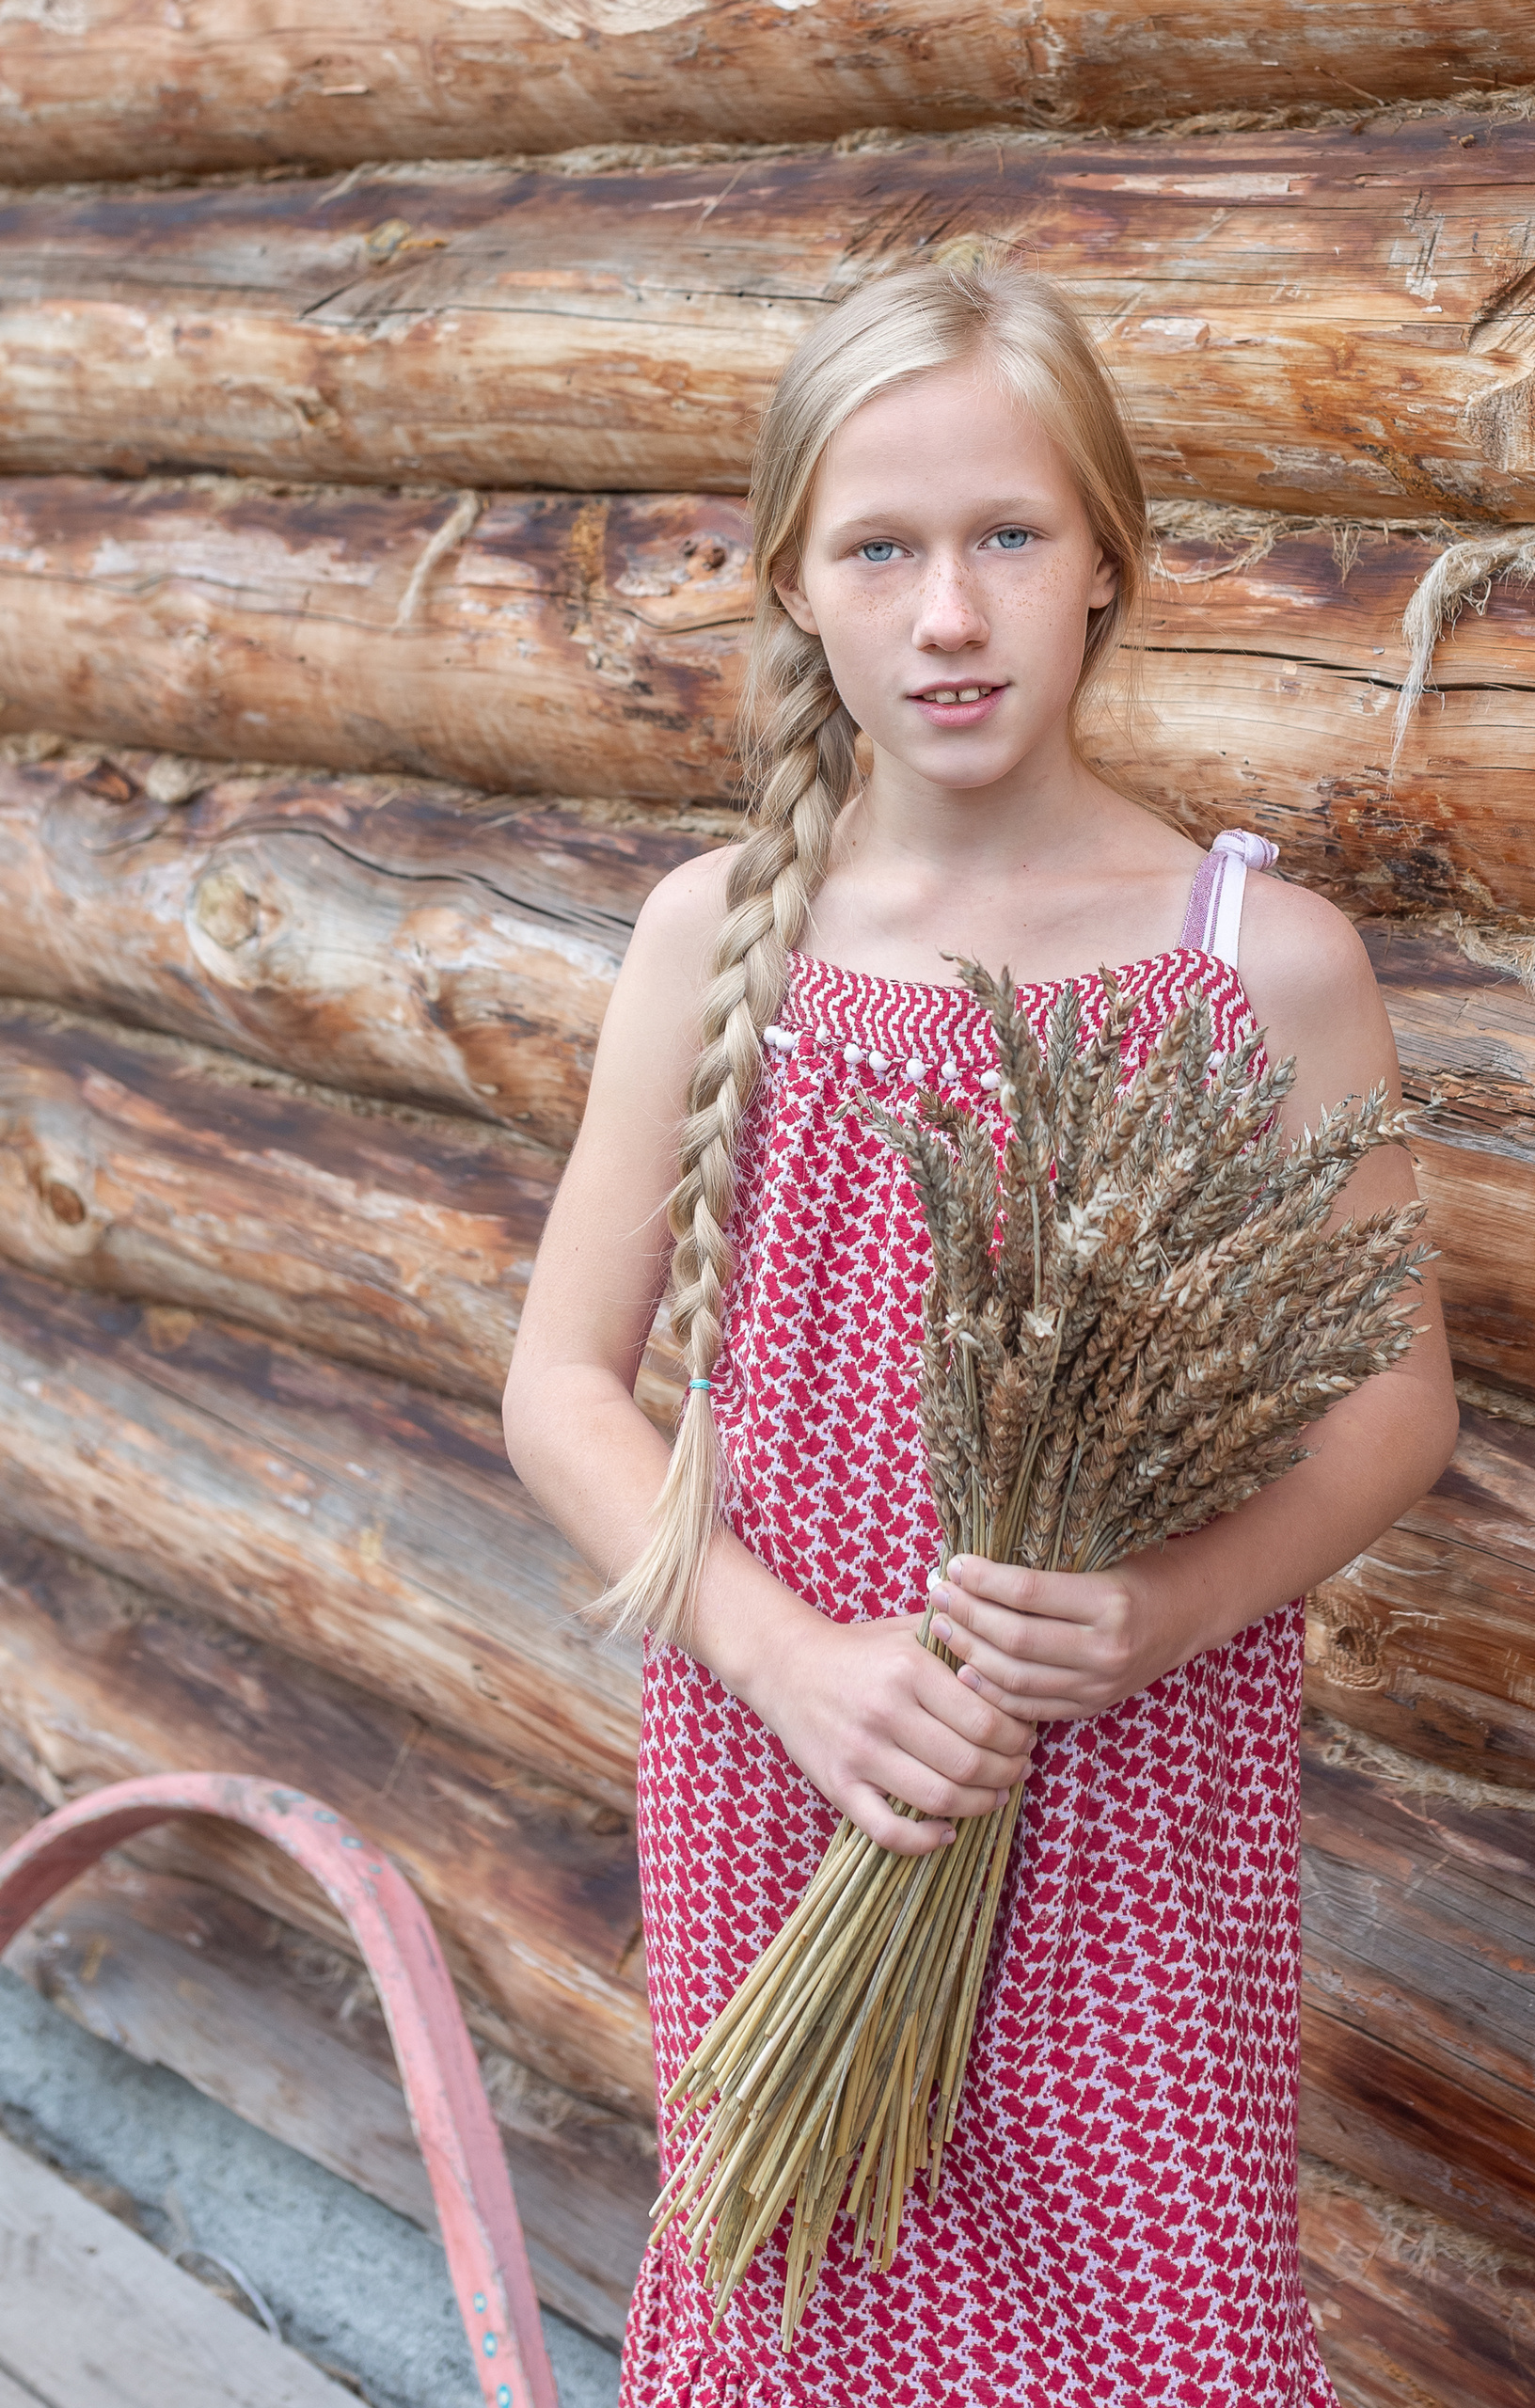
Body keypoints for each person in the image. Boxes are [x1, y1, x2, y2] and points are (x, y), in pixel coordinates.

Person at [502, 254, 1459, 2408]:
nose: (951, 614)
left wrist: (1149, 1611)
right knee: (801, 2297)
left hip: (1126, 1777)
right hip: (789, 1754)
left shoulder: (1257, 961)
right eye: (884, 549)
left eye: (1008, 538)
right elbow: (561, 1385)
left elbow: (1396, 1417)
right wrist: (793, 1661)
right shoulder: (709, 937)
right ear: (794, 587)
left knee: (1146, 2318)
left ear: (1105, 560)